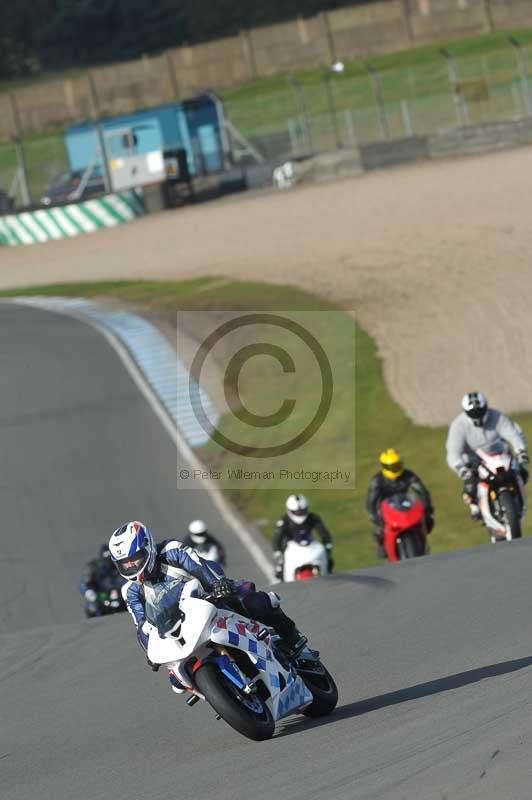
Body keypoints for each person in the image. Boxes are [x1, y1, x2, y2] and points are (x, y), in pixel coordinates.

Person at [108, 521, 308, 694]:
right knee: (176, 680)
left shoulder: (171, 551)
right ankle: (225, 692)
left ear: (148, 546)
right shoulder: (131, 591)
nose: (131, 566)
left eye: (135, 558)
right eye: (124, 563)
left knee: (250, 601)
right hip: (178, 627)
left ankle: (293, 639)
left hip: (210, 599)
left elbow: (200, 566)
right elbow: (141, 624)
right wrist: (149, 651)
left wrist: (218, 583)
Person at [446, 391, 529, 520]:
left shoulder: (497, 417)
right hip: (474, 461)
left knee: (522, 473)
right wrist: (460, 468)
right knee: (470, 486)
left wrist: (520, 451)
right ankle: (474, 505)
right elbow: (453, 451)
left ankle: (518, 499)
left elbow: (512, 434)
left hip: (500, 455)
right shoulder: (458, 426)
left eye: (480, 412)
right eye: (473, 414)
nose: (477, 417)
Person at [366, 449, 434, 558]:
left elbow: (422, 490)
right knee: (379, 530)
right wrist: (374, 517)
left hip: (405, 504)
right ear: (385, 467)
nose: (395, 469)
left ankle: (423, 544)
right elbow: (371, 501)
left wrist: (428, 510)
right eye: (392, 466)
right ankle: (383, 546)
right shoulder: (377, 480)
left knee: (427, 520)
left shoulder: (408, 475)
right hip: (385, 509)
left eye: (397, 465)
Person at [272, 494, 333, 580]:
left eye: (302, 511)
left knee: (328, 561)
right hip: (291, 547)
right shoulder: (284, 520)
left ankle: (326, 574)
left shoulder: (313, 518)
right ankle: (283, 583)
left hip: (310, 544)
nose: (300, 513)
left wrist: (327, 546)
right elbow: (277, 538)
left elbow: (323, 532)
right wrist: (277, 552)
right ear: (290, 510)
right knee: (280, 569)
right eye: (297, 512)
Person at [80, 543, 124, 617]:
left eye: (110, 557)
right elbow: (85, 583)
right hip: (102, 595)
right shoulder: (94, 567)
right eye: (106, 557)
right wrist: (88, 592)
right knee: (92, 607)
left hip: (120, 595)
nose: (108, 560)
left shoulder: (121, 564)